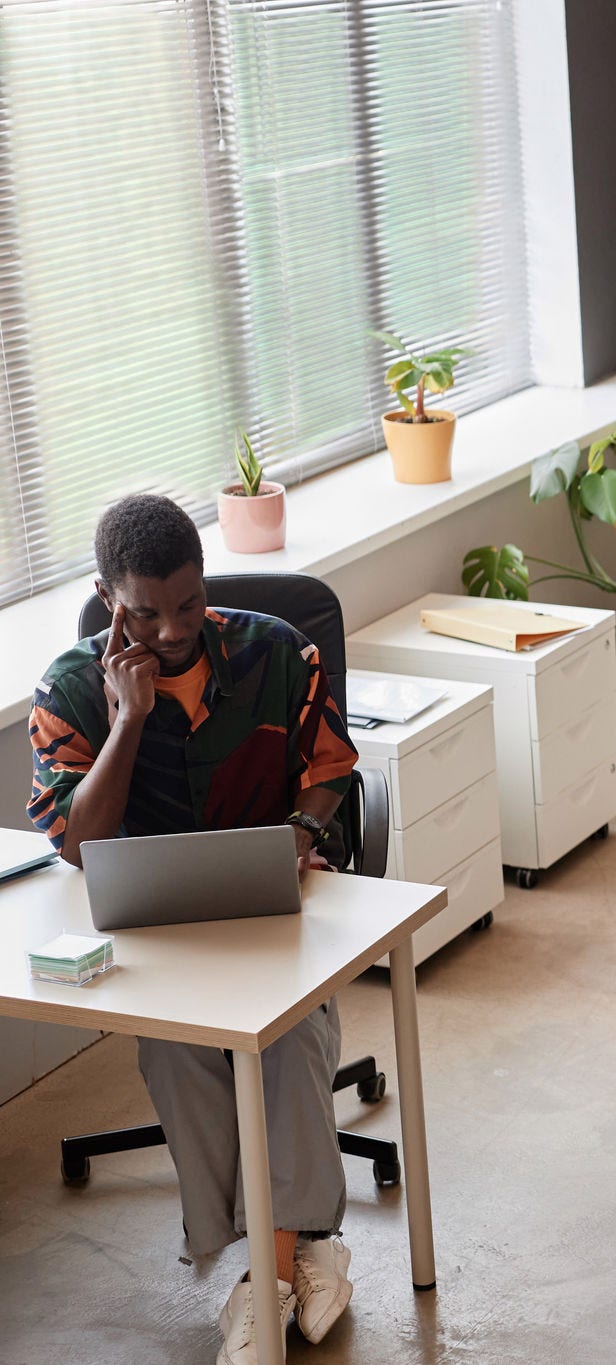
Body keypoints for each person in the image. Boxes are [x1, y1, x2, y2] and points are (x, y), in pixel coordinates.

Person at [26, 495, 362, 1365]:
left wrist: (303, 832)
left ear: (201, 577)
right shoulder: (68, 690)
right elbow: (75, 843)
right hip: (161, 939)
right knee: (173, 1050)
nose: (172, 628)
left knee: (288, 1039)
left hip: (277, 917)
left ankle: (268, 1270)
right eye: (145, 610)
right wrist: (129, 718)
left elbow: (332, 771)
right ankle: (306, 1247)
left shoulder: (279, 651)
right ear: (109, 597)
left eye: (185, 601)